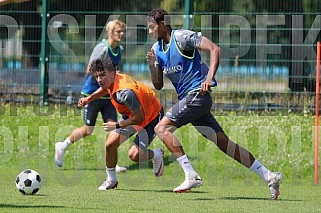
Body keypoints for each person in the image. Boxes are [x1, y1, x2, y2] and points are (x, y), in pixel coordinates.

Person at [145, 8, 282, 200]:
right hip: (191, 101)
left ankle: (190, 175)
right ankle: (270, 175)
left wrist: (209, 77)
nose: (149, 32)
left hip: (197, 96)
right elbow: (158, 84)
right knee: (224, 144)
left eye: (151, 27)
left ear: (162, 24)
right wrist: (152, 65)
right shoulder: (157, 50)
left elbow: (215, 49)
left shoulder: (182, 37)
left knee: (161, 129)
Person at [78, 57, 165, 190]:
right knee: (110, 144)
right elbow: (105, 88)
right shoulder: (111, 81)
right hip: (133, 114)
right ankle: (111, 180)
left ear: (112, 73)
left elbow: (139, 118)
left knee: (134, 155)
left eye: (102, 75)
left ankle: (157, 154)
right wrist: (89, 99)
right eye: (97, 76)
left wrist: (117, 125)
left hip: (152, 116)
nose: (100, 80)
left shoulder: (125, 93)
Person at [55, 20, 127, 173]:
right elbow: (90, 68)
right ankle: (62, 146)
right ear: (110, 32)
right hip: (92, 94)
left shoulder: (119, 49)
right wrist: (103, 78)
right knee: (88, 130)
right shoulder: (102, 48)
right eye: (118, 31)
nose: (121, 34)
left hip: (109, 96)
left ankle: (112, 164)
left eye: (123, 31)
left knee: (113, 128)